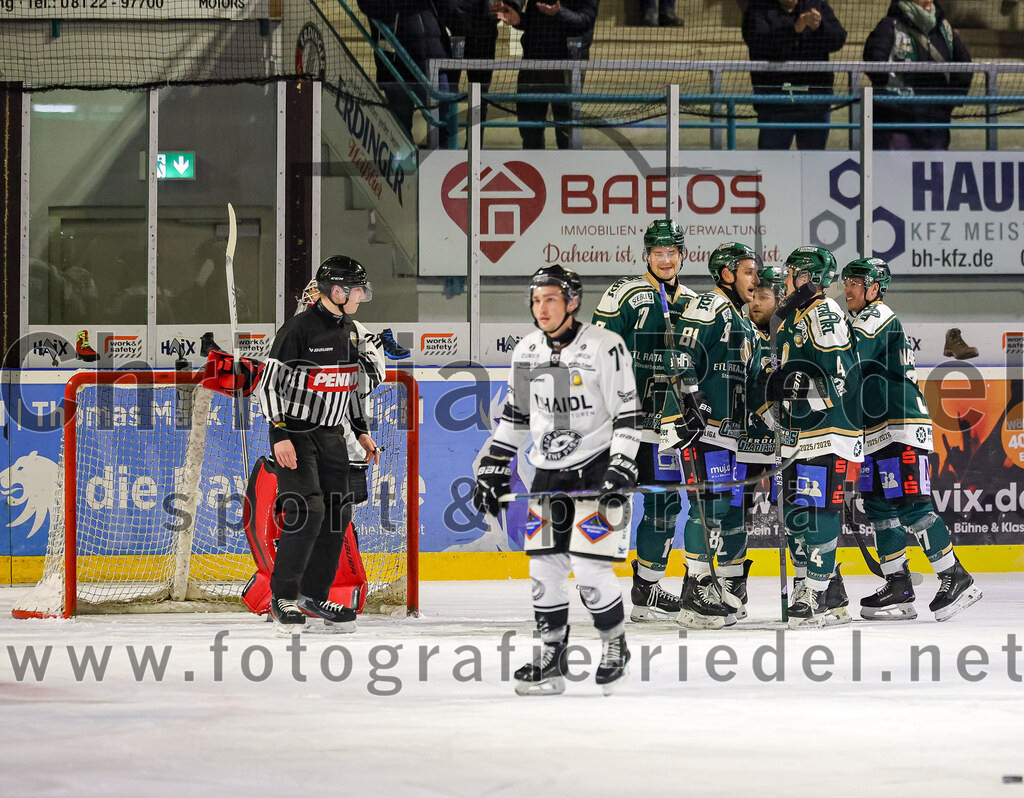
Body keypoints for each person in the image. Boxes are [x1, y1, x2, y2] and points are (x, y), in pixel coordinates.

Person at [472, 265, 641, 696]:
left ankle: (614, 648)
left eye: (550, 298)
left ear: (572, 302)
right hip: (549, 473)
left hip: (599, 468)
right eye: (535, 299)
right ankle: (551, 657)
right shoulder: (526, 350)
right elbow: (516, 416)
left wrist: (621, 464)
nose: (541, 307)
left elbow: (628, 415)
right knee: (544, 567)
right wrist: (494, 463)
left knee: (588, 566)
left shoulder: (606, 346)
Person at [842, 257, 982, 620]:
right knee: (879, 508)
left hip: (902, 424)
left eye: (856, 282)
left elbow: (846, 358)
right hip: (874, 431)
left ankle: (956, 576)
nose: (848, 288)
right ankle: (898, 585)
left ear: (874, 289)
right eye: (846, 281)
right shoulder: (854, 320)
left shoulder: (878, 316)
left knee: (911, 505)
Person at [256, 256, 381, 635]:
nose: (361, 294)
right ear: (337, 290)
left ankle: (314, 594)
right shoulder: (298, 329)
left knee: (337, 514)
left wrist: (360, 429)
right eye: (356, 288)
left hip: (331, 436)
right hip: (295, 434)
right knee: (307, 510)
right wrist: (279, 434)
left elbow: (351, 387)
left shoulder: (350, 331)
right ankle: (283, 598)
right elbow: (268, 385)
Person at [750, 246, 861, 628]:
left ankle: (815, 591)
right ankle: (824, 591)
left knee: (816, 514)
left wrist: (796, 387)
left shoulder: (824, 312)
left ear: (811, 278)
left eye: (794, 274)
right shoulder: (794, 316)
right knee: (797, 516)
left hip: (828, 432)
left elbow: (839, 377)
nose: (787, 280)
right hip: (800, 434)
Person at [592, 220, 695, 622]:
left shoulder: (690, 300)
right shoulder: (625, 292)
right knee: (608, 503)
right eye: (658, 253)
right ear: (646, 255)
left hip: (664, 423)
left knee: (665, 503)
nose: (665, 260)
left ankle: (646, 590)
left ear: (682, 256)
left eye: (672, 253)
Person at [659, 243, 761, 630]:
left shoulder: (742, 317)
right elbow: (678, 353)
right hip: (700, 428)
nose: (756, 279)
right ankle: (696, 590)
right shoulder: (710, 305)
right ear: (726, 274)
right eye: (748, 272)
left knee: (726, 509)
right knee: (710, 508)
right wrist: (691, 396)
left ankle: (708, 585)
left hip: (727, 433)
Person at [718, 262, 788, 620]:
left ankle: (820, 581)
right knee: (732, 512)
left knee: (797, 513)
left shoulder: (792, 335)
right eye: (754, 294)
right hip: (743, 442)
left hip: (783, 443)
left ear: (781, 298)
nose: (756, 302)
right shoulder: (739, 327)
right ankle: (732, 582)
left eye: (765, 295)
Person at [863, 0, 972, 150]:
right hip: (897, 123)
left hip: (935, 122)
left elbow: (965, 66)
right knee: (897, 171)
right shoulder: (889, 26)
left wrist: (948, 101)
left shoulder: (945, 29)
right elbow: (874, 63)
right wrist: (896, 97)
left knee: (935, 171)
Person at [492, 0, 599, 150]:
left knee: (567, 134)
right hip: (533, 61)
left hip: (567, 65)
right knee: (530, 131)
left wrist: (559, 12)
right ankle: (531, 169)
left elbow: (585, 20)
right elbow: (534, 21)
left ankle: (568, 170)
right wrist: (518, 18)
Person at [742, 0, 847, 150]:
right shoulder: (757, 9)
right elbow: (759, 43)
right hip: (775, 105)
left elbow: (839, 38)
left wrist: (820, 27)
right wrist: (794, 30)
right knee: (771, 163)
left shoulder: (817, 5)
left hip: (814, 104)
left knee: (813, 162)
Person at [357, 0, 462, 147]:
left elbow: (452, 10)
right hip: (397, 66)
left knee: (445, 126)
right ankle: (406, 169)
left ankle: (445, 168)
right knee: (400, 133)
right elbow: (371, 6)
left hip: (436, 64)